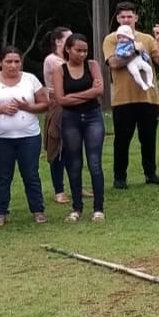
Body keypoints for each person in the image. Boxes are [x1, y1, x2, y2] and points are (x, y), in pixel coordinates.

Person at [0, 45, 49, 226]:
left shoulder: (30, 79)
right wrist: (0, 109)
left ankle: (38, 210)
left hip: (29, 137)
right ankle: (0, 212)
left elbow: (45, 103)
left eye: (17, 61)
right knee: (3, 175)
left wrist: (28, 107)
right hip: (0, 138)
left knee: (31, 174)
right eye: (9, 61)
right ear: (0, 62)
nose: (13, 65)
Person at [102, 2, 159, 189]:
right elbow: (114, 63)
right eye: (122, 17)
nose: (126, 20)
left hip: (148, 97)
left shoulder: (146, 39)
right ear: (117, 19)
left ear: (136, 18)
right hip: (123, 98)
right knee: (122, 140)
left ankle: (150, 174)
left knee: (148, 138)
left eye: (129, 16)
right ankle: (120, 177)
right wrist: (134, 51)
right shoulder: (111, 39)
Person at [52, 34, 106, 223]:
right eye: (78, 50)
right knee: (73, 164)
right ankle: (76, 208)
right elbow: (60, 99)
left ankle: (98, 209)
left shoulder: (92, 65)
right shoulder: (60, 70)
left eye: (85, 50)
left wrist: (74, 97)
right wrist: (88, 93)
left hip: (93, 117)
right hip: (70, 119)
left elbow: (99, 91)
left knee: (95, 163)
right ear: (68, 49)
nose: (82, 54)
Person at [41, 26, 71, 204]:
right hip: (58, 107)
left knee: (73, 148)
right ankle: (59, 190)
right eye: (69, 38)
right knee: (57, 148)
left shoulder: (67, 60)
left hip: (72, 105)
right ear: (58, 41)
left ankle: (76, 185)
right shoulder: (52, 60)